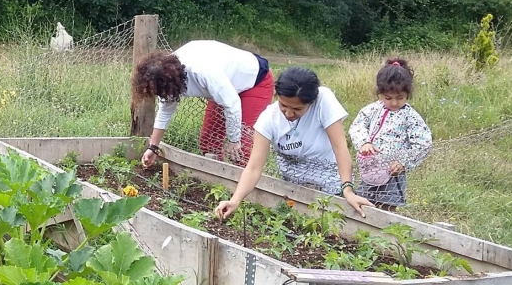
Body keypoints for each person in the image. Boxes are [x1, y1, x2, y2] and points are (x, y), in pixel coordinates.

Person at [214, 67, 373, 219]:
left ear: (310, 103)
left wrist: (348, 190)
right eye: (283, 105)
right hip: (293, 187)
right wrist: (235, 200)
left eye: (297, 109)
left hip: (331, 184)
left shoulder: (323, 101)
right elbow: (254, 167)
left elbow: (340, 148)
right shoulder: (269, 118)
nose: (289, 113)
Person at [135, 40, 274, 167]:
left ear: (171, 82)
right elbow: (165, 111)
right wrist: (153, 147)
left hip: (254, 82)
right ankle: (216, 183)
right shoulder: (164, 75)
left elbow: (232, 104)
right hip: (225, 87)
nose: (164, 96)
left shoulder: (202, 72)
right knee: (209, 142)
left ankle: (243, 190)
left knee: (242, 148)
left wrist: (234, 140)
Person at [351, 59, 432, 211]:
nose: (394, 103)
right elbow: (357, 125)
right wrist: (364, 143)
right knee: (362, 204)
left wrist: (403, 162)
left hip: (392, 173)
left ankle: (384, 233)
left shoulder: (410, 116)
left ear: (408, 94)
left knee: (387, 209)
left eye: (400, 98)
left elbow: (423, 143)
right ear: (380, 93)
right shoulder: (372, 109)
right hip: (370, 168)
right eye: (388, 98)